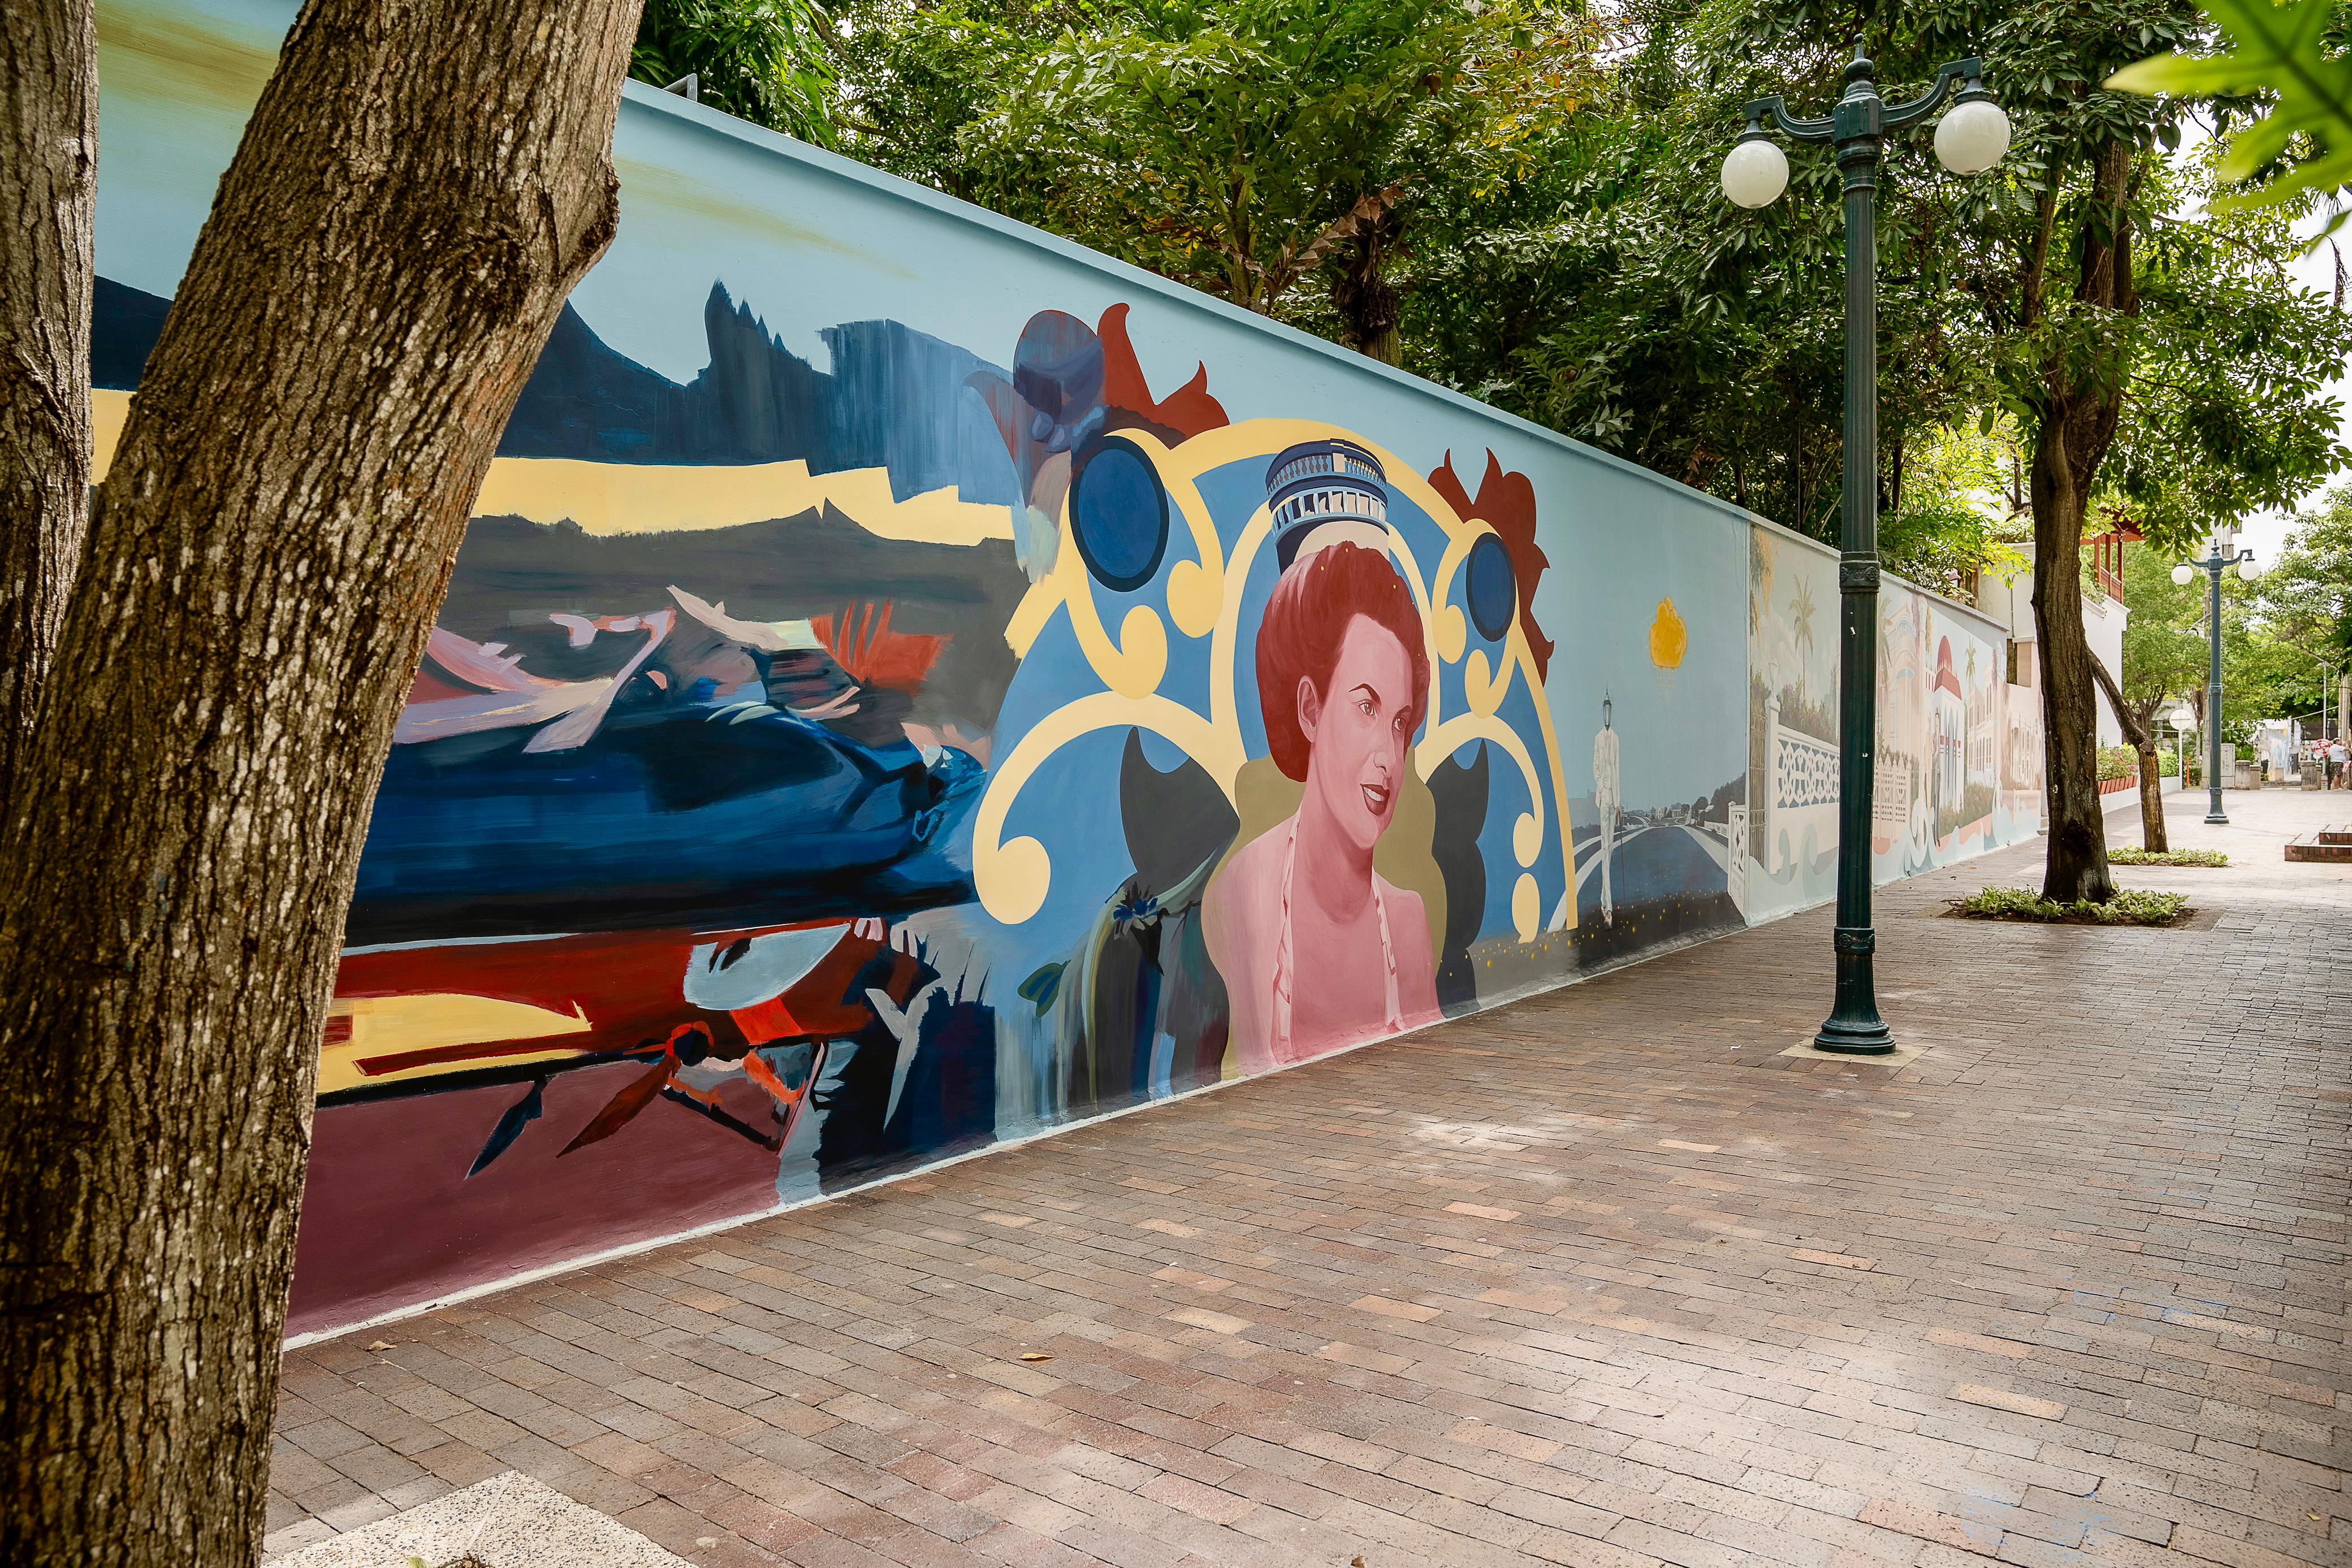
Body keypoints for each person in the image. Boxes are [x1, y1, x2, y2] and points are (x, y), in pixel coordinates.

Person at [1205, 541, 1441, 1071]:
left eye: (1400, 723)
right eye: (1366, 706)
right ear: (1311, 709)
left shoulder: (1407, 924)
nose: (1389, 754)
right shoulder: (1244, 894)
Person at [1593, 695, 1620, 926]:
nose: (1608, 715)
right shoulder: (1598, 739)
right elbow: (1596, 767)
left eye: (1610, 711)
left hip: (1613, 801)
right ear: (1604, 713)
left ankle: (1603, 901)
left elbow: (1617, 771)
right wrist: (1602, 787)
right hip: (1604, 799)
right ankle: (1609, 908)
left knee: (1609, 852)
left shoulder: (1617, 739)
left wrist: (1618, 802)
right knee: (1604, 849)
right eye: (1605, 711)